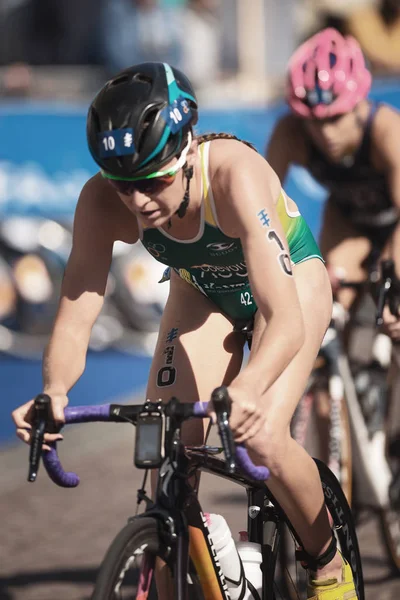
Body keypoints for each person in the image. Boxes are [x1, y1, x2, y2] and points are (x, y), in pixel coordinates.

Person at [12, 61, 355, 599]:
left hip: (287, 292)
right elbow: (77, 311)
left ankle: (330, 565)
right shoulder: (102, 201)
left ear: (187, 146)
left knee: (262, 435)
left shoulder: (233, 176)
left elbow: (283, 317)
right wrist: (53, 392)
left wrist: (245, 390)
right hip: (201, 292)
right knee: (163, 457)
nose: (140, 201)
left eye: (153, 180)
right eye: (124, 185)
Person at [266, 27, 400, 342]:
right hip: (347, 220)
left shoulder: (387, 132)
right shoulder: (291, 134)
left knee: (392, 298)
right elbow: (261, 205)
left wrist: (390, 273)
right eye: (314, 121)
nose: (325, 133)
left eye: (335, 118)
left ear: (357, 104)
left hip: (396, 220)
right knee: (326, 301)